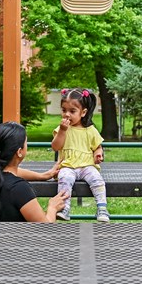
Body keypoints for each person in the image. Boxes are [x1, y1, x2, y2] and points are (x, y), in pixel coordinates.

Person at [0, 121, 69, 222]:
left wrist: (43, 175)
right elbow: (45, 230)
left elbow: (12, 171)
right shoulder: (20, 189)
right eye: (26, 142)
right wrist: (52, 208)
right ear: (19, 152)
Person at [51, 88, 109, 222]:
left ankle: (102, 208)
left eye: (72, 111)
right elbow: (55, 146)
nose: (67, 115)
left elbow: (98, 147)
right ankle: (64, 208)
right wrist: (63, 131)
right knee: (64, 178)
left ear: (83, 112)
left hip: (87, 166)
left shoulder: (90, 130)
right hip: (68, 165)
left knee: (97, 180)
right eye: (64, 110)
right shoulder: (62, 129)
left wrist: (98, 154)